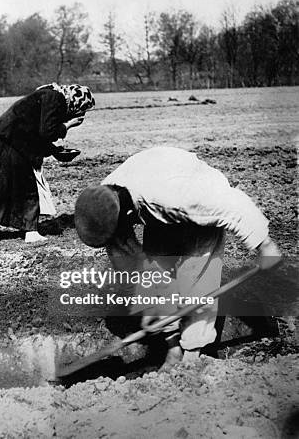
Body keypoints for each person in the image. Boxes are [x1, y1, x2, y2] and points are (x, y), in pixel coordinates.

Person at [73, 146, 282, 367]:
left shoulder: (182, 197)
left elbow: (233, 205)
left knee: (196, 280)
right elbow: (134, 265)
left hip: (195, 196)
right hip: (156, 207)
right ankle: (173, 350)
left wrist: (264, 244)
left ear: (123, 214)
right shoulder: (102, 206)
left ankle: (193, 352)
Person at [0, 83, 95, 244]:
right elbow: (47, 132)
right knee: (7, 189)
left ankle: (28, 231)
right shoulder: (56, 99)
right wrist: (68, 125)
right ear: (76, 104)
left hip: (7, 141)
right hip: (10, 144)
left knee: (8, 188)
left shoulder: (50, 95)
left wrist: (56, 152)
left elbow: (36, 133)